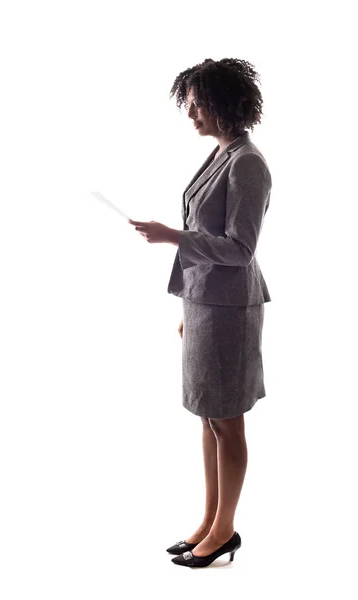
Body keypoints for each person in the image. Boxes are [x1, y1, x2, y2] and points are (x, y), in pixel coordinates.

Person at [128, 58, 272, 568]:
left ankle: (225, 529)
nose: (190, 111)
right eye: (188, 101)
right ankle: (209, 520)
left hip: (231, 307)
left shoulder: (247, 162)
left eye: (196, 101)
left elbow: (239, 249)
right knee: (208, 416)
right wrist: (191, 302)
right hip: (207, 303)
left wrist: (171, 235)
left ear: (223, 103)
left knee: (227, 421)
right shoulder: (221, 155)